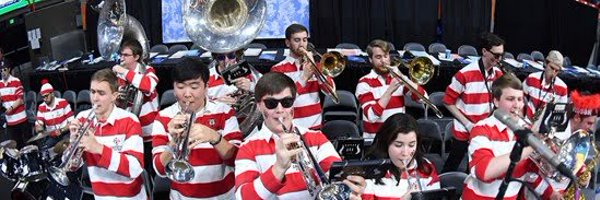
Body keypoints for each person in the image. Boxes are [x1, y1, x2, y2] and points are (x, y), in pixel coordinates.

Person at [235, 72, 365, 199]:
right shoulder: (247, 148)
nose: (280, 110)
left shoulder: (316, 138)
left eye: (286, 102)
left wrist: (351, 185)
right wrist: (279, 168)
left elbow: (336, 177)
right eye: (271, 103)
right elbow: (243, 197)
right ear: (259, 107)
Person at [151, 57, 242, 199]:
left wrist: (215, 138)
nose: (187, 94)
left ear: (206, 87)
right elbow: (160, 170)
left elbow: (236, 160)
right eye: (180, 87)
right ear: (173, 88)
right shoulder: (162, 117)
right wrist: (173, 143)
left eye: (194, 87)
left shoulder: (225, 112)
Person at [462, 73, 559, 199]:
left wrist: (551, 194)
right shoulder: (481, 129)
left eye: (519, 99)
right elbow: (484, 172)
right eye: (510, 99)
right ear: (496, 101)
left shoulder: (526, 130)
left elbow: (530, 174)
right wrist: (534, 145)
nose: (517, 105)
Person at [67, 68, 146, 199]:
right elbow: (72, 166)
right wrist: (73, 142)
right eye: (92, 92)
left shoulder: (130, 120)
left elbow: (135, 168)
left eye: (101, 93)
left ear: (114, 96)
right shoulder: (82, 118)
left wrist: (98, 148)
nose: (95, 98)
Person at [442, 32, 506, 173]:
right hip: (464, 129)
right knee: (452, 165)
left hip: (482, 130)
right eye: (496, 55)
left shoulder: (499, 75)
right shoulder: (465, 74)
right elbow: (447, 101)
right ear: (484, 51)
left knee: (472, 169)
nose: (499, 59)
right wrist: (467, 123)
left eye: (501, 55)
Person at [355, 39, 429, 138]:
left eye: (386, 56)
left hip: (398, 138)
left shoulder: (398, 79)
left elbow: (423, 99)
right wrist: (390, 90)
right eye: (378, 57)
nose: (383, 61)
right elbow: (372, 116)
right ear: (370, 59)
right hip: (375, 141)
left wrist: (403, 78)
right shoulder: (364, 83)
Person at [270, 23, 336, 129]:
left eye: (304, 40)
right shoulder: (277, 69)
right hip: (291, 127)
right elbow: (285, 100)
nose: (302, 45)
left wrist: (318, 72)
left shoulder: (315, 66)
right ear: (287, 43)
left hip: (315, 127)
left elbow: (331, 93)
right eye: (297, 40)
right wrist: (304, 77)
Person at [362, 113, 440, 200]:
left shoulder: (426, 168)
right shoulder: (370, 170)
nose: (405, 153)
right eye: (398, 145)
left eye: (411, 145)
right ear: (386, 143)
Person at [111, 40, 159, 176]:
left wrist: (124, 72)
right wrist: (118, 99)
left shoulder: (148, 70)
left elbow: (148, 85)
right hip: (132, 132)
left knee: (151, 170)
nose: (121, 58)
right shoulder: (119, 76)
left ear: (136, 57)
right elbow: (117, 106)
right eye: (121, 54)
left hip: (149, 130)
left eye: (126, 55)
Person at [522, 50, 568, 121]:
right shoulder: (532, 78)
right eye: (552, 68)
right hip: (526, 121)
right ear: (545, 63)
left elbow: (560, 114)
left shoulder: (563, 88)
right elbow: (521, 97)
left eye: (557, 71)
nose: (553, 73)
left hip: (544, 126)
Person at [35, 79, 74, 154]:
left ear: (52, 94)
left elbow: (72, 122)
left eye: (46, 96)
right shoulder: (41, 107)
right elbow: (38, 125)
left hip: (65, 133)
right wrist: (39, 128)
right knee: (44, 152)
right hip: (52, 136)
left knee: (66, 149)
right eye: (43, 97)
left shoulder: (63, 103)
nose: (44, 99)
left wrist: (62, 130)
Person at [0, 60, 30, 149]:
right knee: (16, 145)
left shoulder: (16, 81)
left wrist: (11, 108)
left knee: (28, 142)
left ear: (9, 69)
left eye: (4, 70)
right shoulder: (0, 84)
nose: (3, 72)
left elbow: (20, 100)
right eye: (1, 70)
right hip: (10, 121)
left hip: (21, 118)